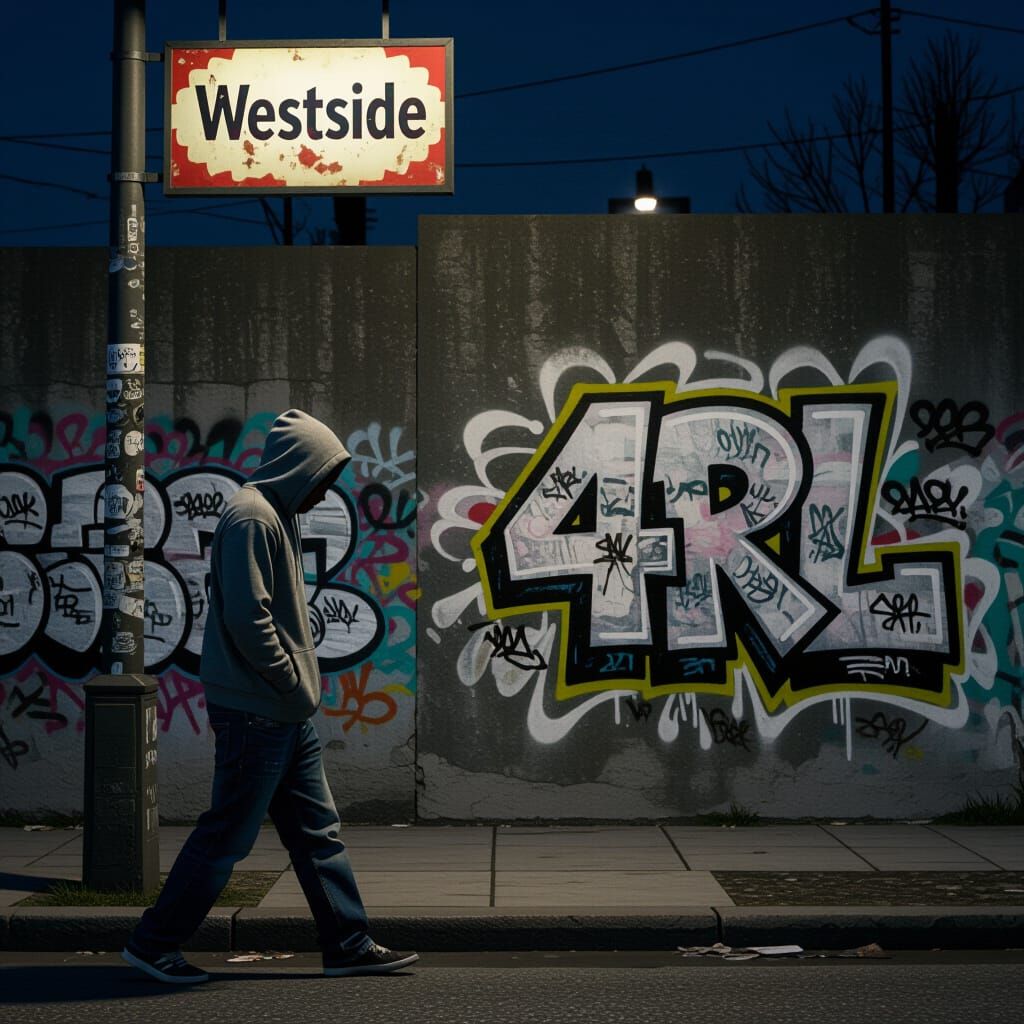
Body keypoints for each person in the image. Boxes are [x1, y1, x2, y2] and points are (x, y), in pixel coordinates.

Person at [122, 409, 417, 984]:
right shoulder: (253, 517)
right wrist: (287, 678)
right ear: (298, 466)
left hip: (283, 712)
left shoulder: (277, 512)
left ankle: (348, 943)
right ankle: (153, 943)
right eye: (323, 474)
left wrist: (293, 691)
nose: (326, 488)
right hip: (259, 711)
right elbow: (248, 615)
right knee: (226, 836)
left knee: (317, 833)